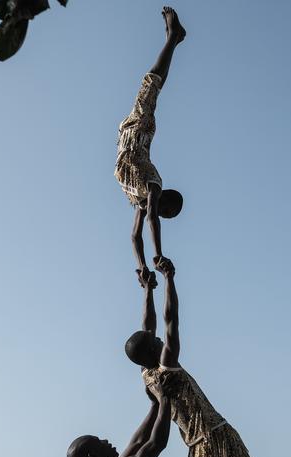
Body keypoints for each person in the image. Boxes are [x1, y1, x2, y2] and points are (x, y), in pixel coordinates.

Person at [125, 262, 259, 457]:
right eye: (155, 342)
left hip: (197, 450)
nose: (159, 339)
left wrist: (147, 290)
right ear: (151, 351)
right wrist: (169, 279)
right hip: (218, 437)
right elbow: (171, 320)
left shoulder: (148, 377)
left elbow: (147, 327)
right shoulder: (167, 366)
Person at [115, 6, 185, 281]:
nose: (161, 216)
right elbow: (150, 223)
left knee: (154, 84)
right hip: (137, 134)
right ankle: (172, 38)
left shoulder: (140, 201)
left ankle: (174, 39)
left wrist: (143, 266)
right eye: (166, 213)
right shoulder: (153, 186)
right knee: (152, 82)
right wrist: (157, 253)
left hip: (131, 137)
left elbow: (135, 235)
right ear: (165, 204)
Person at [67, 381, 171, 457]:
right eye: (99, 442)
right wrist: (164, 400)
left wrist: (155, 404)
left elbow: (137, 442)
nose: (105, 440)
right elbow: (156, 444)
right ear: (93, 455)